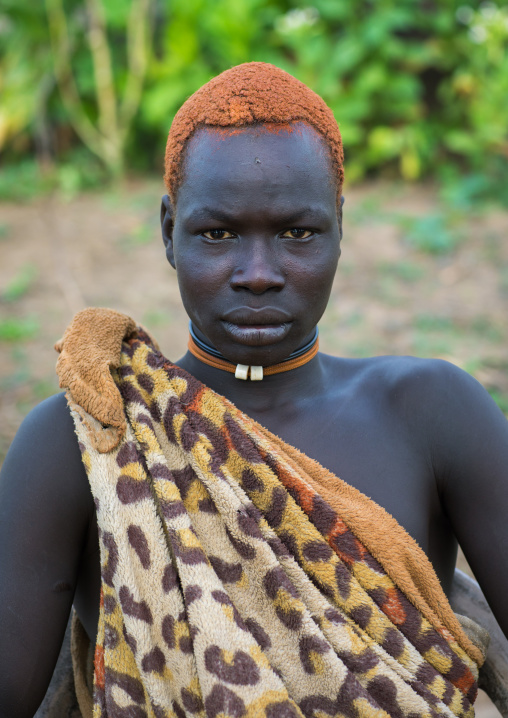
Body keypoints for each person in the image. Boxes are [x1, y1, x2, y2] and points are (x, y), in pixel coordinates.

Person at [0, 62, 507, 718]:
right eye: (218, 234)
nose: (260, 274)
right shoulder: (92, 434)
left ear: (339, 230)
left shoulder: (432, 411)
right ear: (168, 232)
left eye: (297, 233)